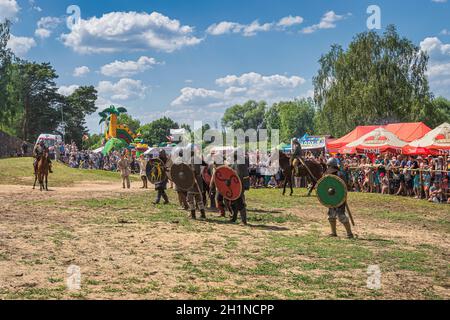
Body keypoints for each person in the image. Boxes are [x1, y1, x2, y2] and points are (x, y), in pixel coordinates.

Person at [325, 158, 354, 239]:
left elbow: (344, 187)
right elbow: (324, 186)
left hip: (339, 197)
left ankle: (349, 234)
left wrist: (342, 196)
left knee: (341, 215)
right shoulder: (327, 174)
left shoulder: (339, 174)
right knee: (331, 215)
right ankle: (333, 232)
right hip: (330, 197)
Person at [230, 149, 250, 225]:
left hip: (239, 186)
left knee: (240, 202)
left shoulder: (239, 163)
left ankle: (243, 221)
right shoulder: (237, 163)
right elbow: (230, 170)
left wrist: (244, 186)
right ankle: (234, 218)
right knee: (234, 202)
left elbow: (239, 176)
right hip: (237, 186)